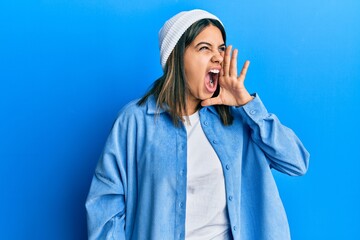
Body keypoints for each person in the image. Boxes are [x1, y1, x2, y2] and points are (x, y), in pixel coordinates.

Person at [85, 9, 310, 240]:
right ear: (176, 57)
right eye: (204, 48)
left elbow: (296, 163)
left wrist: (247, 103)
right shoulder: (134, 122)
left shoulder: (238, 119)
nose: (218, 57)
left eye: (221, 49)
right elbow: (105, 206)